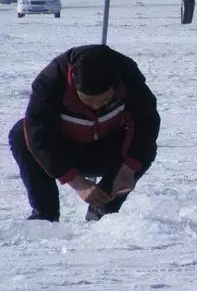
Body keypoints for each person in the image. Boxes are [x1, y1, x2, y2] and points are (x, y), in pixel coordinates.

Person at [8, 45, 161, 222]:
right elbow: (38, 132)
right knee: (21, 133)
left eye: (104, 100)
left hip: (108, 149)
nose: (95, 106)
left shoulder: (128, 76)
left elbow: (146, 123)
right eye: (87, 100)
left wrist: (128, 169)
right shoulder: (50, 81)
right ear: (72, 81)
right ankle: (45, 214)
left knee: (145, 147)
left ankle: (103, 208)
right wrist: (77, 183)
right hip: (66, 149)